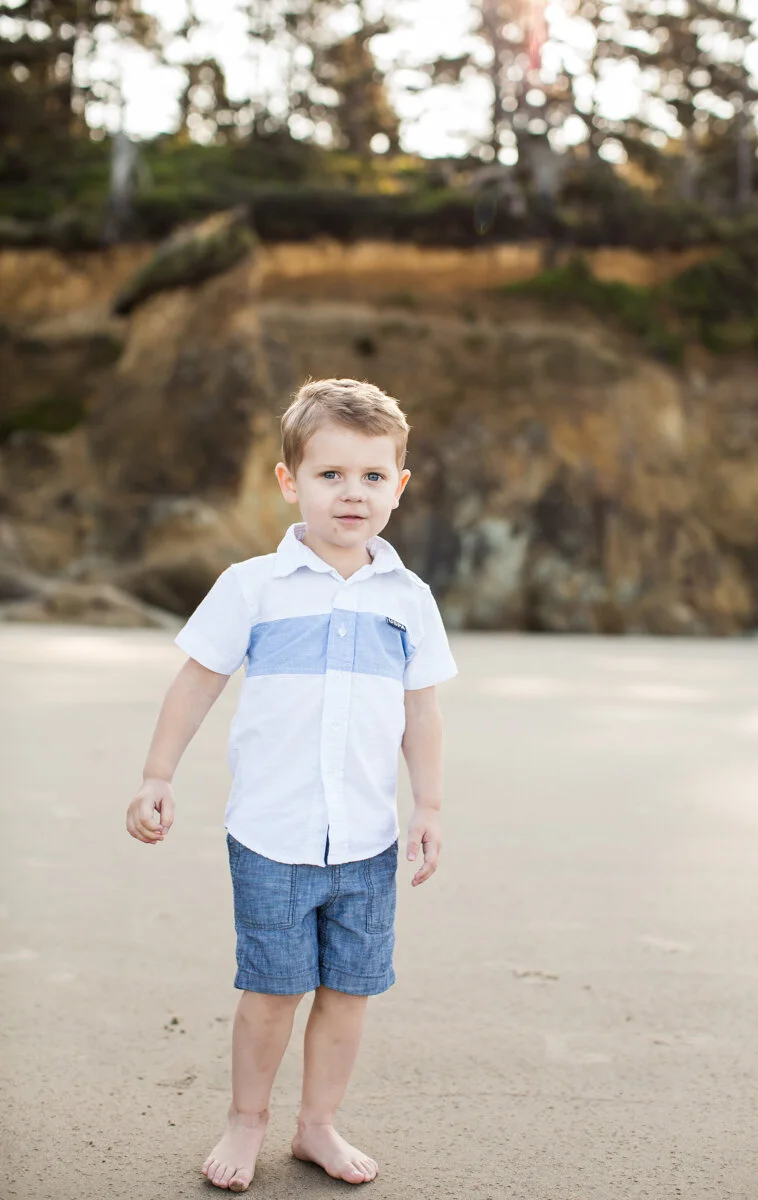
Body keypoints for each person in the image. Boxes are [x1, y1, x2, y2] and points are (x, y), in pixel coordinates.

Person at [125, 377, 458, 1192]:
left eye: (373, 477)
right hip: (272, 836)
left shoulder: (409, 600)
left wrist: (429, 806)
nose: (353, 493)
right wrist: (157, 774)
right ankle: (248, 1119)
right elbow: (197, 682)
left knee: (349, 992)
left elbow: (422, 711)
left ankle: (317, 1125)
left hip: (367, 842)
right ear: (289, 481)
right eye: (330, 474)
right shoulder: (253, 586)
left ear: (399, 487)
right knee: (272, 992)